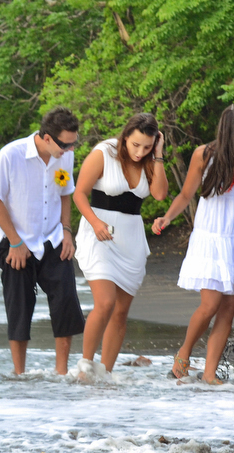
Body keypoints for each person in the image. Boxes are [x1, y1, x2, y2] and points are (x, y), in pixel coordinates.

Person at [153, 104, 234, 385]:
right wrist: (166, 217)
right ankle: (184, 353)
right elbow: (187, 194)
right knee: (210, 305)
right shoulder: (204, 155)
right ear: (226, 132)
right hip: (212, 237)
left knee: (228, 310)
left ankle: (209, 374)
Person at [0, 107, 87, 376]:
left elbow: (64, 191)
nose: (69, 149)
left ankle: (61, 373)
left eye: (73, 143)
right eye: (65, 144)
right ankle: (19, 373)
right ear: (46, 138)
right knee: (19, 308)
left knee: (66, 302)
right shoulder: (10, 155)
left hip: (53, 239)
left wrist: (67, 231)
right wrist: (16, 242)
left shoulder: (64, 157)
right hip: (16, 242)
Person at [72, 113, 169, 377]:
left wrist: (157, 154)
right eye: (135, 145)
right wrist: (95, 223)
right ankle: (85, 365)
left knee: (121, 311)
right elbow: (79, 193)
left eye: (147, 146)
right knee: (105, 303)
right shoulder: (104, 152)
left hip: (131, 238)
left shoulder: (150, 159)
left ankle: (105, 373)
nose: (140, 152)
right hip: (99, 232)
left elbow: (160, 194)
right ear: (125, 137)